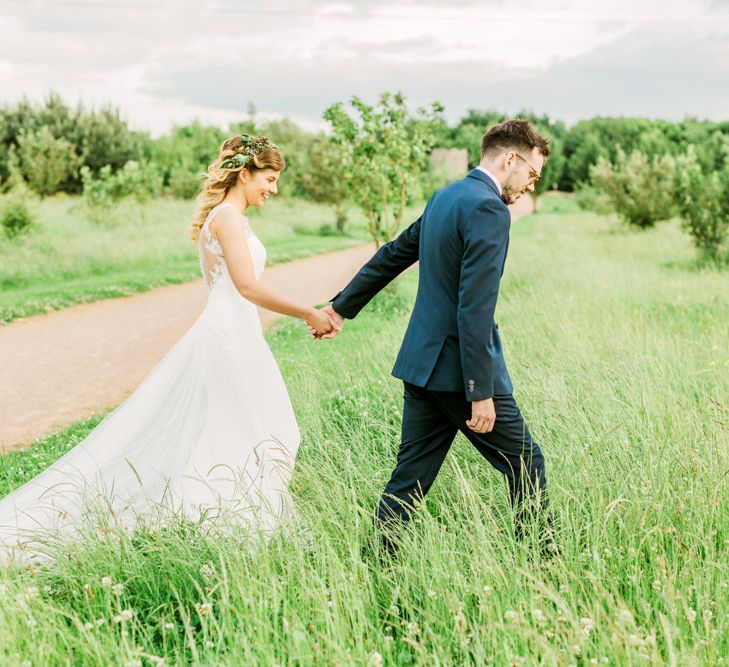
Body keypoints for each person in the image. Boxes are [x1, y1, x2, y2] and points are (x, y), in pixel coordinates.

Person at [0, 134, 337, 566]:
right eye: (268, 179)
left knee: (259, 428)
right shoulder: (228, 219)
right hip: (228, 336)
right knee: (259, 428)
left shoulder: (232, 216)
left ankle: (231, 520)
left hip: (237, 332)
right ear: (244, 172)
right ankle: (215, 520)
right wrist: (308, 313)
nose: (273, 188)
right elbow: (246, 286)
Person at [312, 119, 555, 554]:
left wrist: (340, 307)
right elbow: (474, 306)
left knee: (410, 478)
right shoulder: (489, 208)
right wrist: (480, 389)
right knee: (526, 461)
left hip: (422, 367)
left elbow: (392, 254)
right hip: (459, 373)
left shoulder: (446, 196)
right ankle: (546, 564)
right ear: (510, 159)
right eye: (532, 175)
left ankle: (377, 563)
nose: (530, 187)